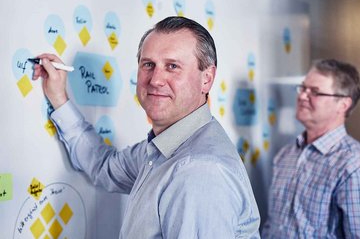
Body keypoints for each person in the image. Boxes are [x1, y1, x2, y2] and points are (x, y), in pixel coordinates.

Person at [33, 16, 260, 238]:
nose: (155, 80)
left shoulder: (198, 172)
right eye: (148, 64)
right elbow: (105, 167)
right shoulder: (167, 147)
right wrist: (59, 99)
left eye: (172, 66)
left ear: (206, 79)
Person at [262, 59, 360, 238]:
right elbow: (272, 224)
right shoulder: (285, 155)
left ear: (343, 104)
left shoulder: (352, 164)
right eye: (303, 88)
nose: (302, 96)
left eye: (315, 92)